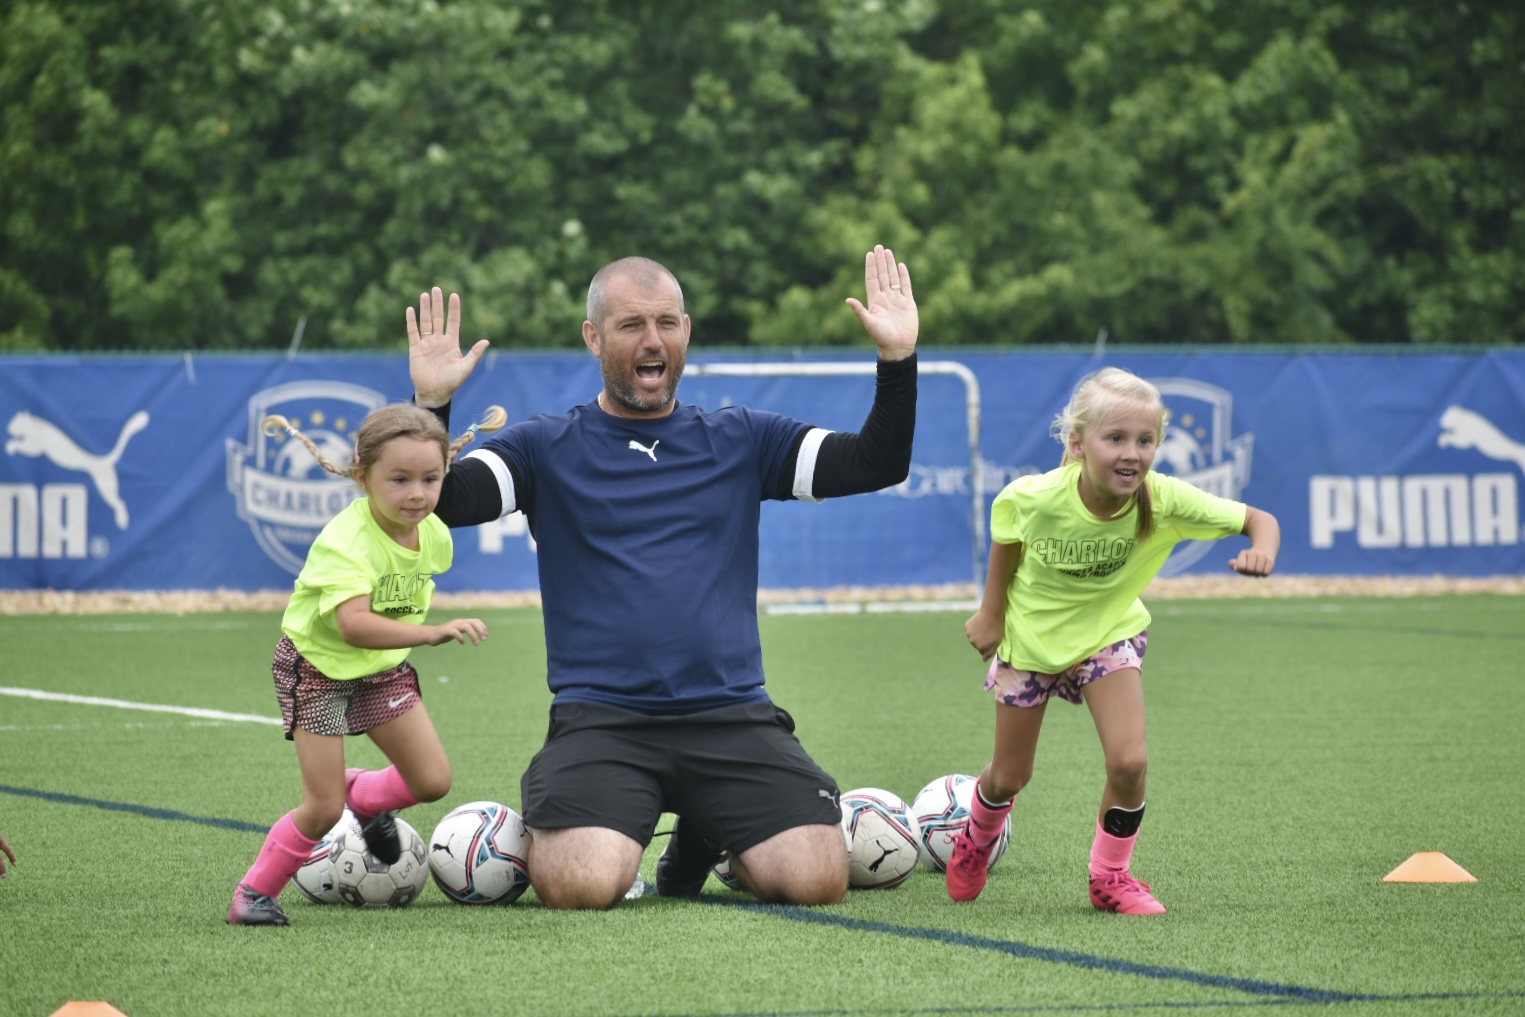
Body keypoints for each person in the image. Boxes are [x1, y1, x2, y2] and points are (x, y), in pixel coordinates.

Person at [406, 245, 918, 909]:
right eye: (631, 325)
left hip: (731, 716)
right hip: (604, 721)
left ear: (686, 331)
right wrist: (432, 403)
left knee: (816, 880)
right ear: (593, 337)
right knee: (577, 885)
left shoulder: (739, 437)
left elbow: (875, 463)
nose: (653, 340)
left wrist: (897, 359)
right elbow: (446, 499)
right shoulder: (545, 447)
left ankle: (705, 833)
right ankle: (681, 822)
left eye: (667, 323)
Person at [948, 367, 1280, 913]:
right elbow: (1008, 535)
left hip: (1109, 636)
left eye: (1145, 440)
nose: (1132, 453)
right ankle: (976, 839)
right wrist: (992, 612)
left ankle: (1111, 878)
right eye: (1116, 438)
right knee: (1011, 776)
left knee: (1129, 763)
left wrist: (1262, 549)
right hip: (1032, 645)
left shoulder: (1164, 499)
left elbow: (1257, 519)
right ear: (1079, 445)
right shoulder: (1035, 498)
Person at [227, 402, 504, 926]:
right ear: (363, 475)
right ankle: (252, 895)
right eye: (398, 479)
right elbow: (353, 625)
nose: (417, 494)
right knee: (323, 807)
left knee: (431, 781)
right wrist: (430, 633)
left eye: (431, 478)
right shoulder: (345, 541)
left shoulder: (435, 533)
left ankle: (368, 799)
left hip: (381, 669)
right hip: (318, 671)